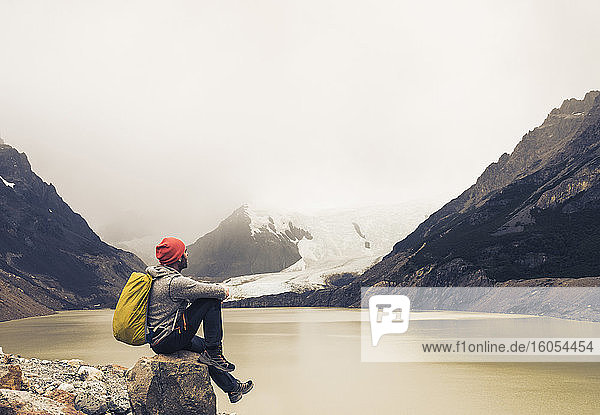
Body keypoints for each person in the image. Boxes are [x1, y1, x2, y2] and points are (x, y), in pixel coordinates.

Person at [145, 237, 253, 404]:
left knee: (204, 348)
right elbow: (217, 292)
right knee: (211, 300)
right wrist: (222, 292)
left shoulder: (158, 278)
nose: (187, 255)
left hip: (158, 340)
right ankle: (214, 352)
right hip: (168, 339)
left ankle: (232, 388)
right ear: (178, 258)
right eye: (184, 252)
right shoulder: (174, 282)